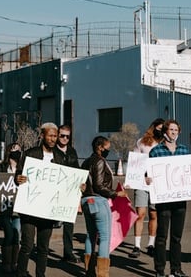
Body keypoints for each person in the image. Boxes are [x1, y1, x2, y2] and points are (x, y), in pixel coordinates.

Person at [149, 119, 191, 277]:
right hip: (164, 200)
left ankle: (176, 268)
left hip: (180, 201)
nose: (174, 133)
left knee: (176, 237)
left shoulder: (184, 150)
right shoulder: (156, 151)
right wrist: (147, 179)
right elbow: (148, 173)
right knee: (162, 236)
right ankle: (160, 270)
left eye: (176, 130)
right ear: (165, 132)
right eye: (171, 130)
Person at [15, 122, 69, 277]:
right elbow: (18, 174)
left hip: (48, 210)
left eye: (55, 135)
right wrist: (18, 178)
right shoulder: (30, 154)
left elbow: (66, 180)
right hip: (30, 209)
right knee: (27, 245)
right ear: (42, 136)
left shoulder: (60, 157)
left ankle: (41, 274)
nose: (53, 139)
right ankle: (21, 273)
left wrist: (78, 187)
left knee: (43, 247)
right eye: (50, 135)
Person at [81, 136, 127, 277]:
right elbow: (99, 185)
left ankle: (89, 271)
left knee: (91, 235)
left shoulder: (86, 162)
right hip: (98, 200)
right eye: (107, 147)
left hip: (86, 201)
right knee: (105, 237)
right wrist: (115, 194)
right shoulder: (100, 161)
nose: (109, 150)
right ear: (100, 147)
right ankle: (102, 274)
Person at [128, 118, 164, 259]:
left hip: (157, 183)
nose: (160, 131)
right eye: (158, 128)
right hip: (142, 182)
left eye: (162, 129)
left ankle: (151, 244)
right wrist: (135, 178)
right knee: (140, 213)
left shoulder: (164, 144)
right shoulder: (142, 142)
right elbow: (135, 162)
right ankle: (136, 245)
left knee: (154, 214)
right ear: (153, 127)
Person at [55, 124, 82, 264]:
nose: (65, 138)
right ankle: (42, 251)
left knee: (69, 224)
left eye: (67, 136)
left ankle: (68, 252)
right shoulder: (52, 151)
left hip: (69, 191)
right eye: (62, 135)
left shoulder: (72, 151)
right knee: (48, 223)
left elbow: (76, 169)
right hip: (55, 191)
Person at [0, 143, 22, 273]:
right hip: (4, 207)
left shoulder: (23, 168)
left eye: (19, 149)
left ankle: (14, 262)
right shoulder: (1, 167)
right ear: (8, 151)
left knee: (17, 235)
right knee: (9, 234)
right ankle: (6, 262)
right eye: (14, 149)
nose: (17, 151)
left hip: (18, 209)